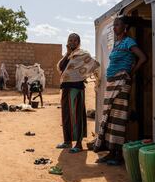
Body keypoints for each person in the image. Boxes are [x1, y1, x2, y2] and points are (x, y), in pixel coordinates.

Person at [93, 16, 147, 165]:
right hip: (112, 84)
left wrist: (131, 72)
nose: (115, 27)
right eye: (114, 25)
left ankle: (117, 155)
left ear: (125, 27)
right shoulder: (117, 44)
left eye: (118, 25)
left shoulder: (129, 42)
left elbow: (143, 58)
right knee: (110, 118)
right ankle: (111, 152)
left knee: (118, 118)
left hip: (121, 83)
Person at [56, 33, 100, 153]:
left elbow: (93, 64)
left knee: (77, 115)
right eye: (70, 40)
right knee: (66, 115)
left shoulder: (83, 54)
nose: (72, 42)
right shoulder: (68, 55)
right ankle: (67, 141)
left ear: (79, 42)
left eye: (75, 40)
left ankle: (79, 144)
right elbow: (60, 67)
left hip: (77, 88)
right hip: (66, 87)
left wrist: (84, 75)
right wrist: (68, 54)